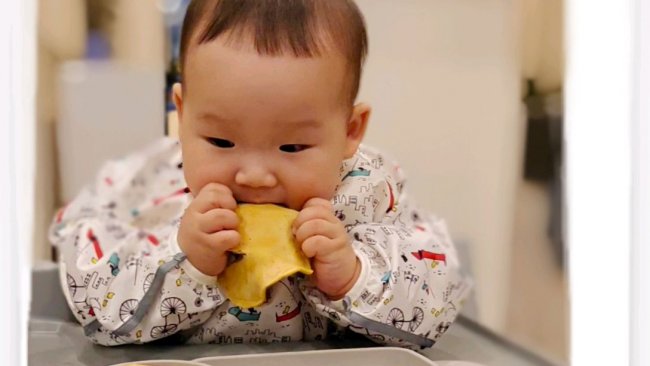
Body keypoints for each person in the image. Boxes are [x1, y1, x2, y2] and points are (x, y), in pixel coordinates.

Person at [50, 0, 471, 348]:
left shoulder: (367, 194)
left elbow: (437, 304)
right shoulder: (156, 188)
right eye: (220, 141)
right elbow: (95, 302)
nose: (253, 176)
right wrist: (186, 263)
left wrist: (352, 275)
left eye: (291, 147)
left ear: (349, 131)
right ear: (182, 114)